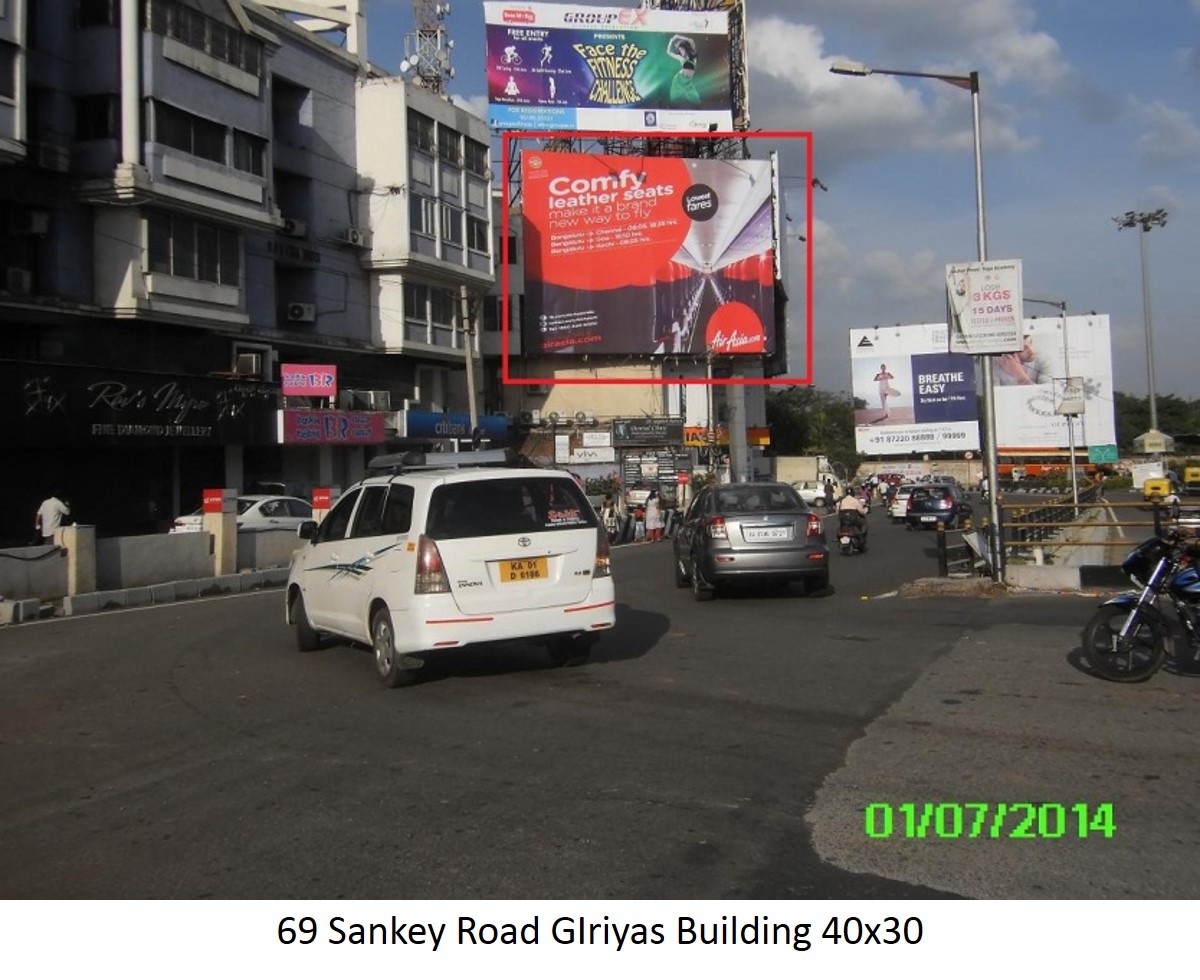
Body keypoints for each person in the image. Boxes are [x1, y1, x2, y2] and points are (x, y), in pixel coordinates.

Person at [666, 35, 701, 104]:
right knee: (674, 99)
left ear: (686, 48)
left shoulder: (693, 56)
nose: (681, 52)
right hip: (679, 80)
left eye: (681, 49)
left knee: (696, 100)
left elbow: (690, 40)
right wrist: (671, 40)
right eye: (680, 50)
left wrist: (678, 37)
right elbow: (668, 52)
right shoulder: (682, 59)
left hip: (688, 82)